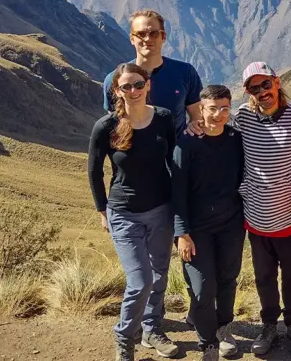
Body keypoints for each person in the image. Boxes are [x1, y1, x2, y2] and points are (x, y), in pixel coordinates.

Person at [88, 63, 179, 361]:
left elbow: (175, 163)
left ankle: (152, 328)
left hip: (161, 210)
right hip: (124, 213)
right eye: (126, 86)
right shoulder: (107, 126)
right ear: (116, 90)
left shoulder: (164, 119)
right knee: (140, 281)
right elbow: (93, 170)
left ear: (148, 85)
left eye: (138, 84)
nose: (134, 91)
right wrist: (102, 210)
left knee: (160, 273)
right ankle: (125, 337)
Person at [232, 61, 291, 355]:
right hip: (256, 219)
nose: (262, 92)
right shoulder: (242, 117)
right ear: (247, 92)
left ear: (277, 82)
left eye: (265, 84)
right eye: (253, 88)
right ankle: (269, 324)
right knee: (263, 277)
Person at [171, 85, 246, 361]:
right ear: (200, 110)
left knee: (228, 280)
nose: (218, 114)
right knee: (203, 288)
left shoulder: (236, 139)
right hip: (196, 229)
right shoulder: (186, 144)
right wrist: (181, 233)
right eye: (212, 108)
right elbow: (176, 192)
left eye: (224, 108)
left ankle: (224, 329)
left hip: (231, 225)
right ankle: (207, 342)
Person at [102, 9, 204, 136]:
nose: (147, 38)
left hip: (176, 153)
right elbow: (114, 124)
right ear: (132, 39)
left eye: (154, 33)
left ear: (163, 37)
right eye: (141, 34)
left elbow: (197, 115)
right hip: (133, 153)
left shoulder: (185, 72)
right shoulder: (114, 79)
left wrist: (194, 127)